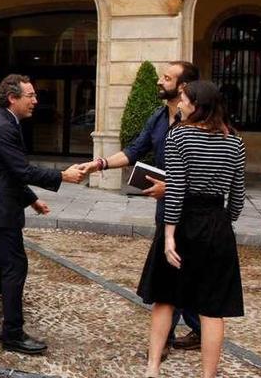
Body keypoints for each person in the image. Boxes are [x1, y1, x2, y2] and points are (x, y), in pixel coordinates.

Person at [78, 61, 202, 357]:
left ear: (183, 87)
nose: (160, 81)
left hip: (197, 214)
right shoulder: (158, 117)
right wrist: (99, 164)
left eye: (167, 77)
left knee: (192, 272)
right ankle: (170, 337)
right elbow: (134, 151)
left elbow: (206, 176)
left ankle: (195, 330)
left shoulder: (203, 122)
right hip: (167, 212)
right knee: (170, 272)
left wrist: (169, 187)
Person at [0, 74, 85, 355]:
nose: (36, 100)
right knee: (14, 270)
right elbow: (22, 170)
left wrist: (31, 200)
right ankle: (13, 335)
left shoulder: (5, 122)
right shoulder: (5, 127)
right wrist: (62, 176)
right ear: (12, 98)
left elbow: (7, 173)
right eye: (30, 95)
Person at [140, 80, 245, 378]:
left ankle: (152, 368)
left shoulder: (179, 136)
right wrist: (223, 223)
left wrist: (169, 236)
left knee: (165, 298)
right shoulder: (235, 141)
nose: (180, 104)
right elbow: (237, 196)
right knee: (212, 308)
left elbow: (176, 190)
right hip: (216, 224)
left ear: (197, 105)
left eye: (184, 100)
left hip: (183, 221)